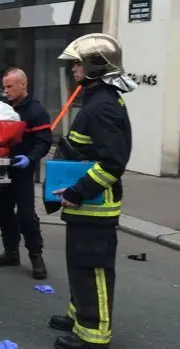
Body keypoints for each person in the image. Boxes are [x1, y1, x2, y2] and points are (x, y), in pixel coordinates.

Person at [49, 33, 134, 349]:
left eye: (78, 63)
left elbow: (113, 164)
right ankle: (79, 317)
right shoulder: (96, 99)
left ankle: (94, 336)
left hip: (95, 205)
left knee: (93, 270)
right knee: (79, 266)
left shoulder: (103, 107)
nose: (73, 69)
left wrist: (77, 190)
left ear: (95, 66)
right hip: (85, 204)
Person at [0, 68, 52, 279]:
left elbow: (44, 142)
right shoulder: (3, 109)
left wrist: (30, 159)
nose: (6, 90)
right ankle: (11, 252)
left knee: (26, 215)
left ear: (24, 85)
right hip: (2, 167)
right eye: (4, 86)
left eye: (10, 86)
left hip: (22, 170)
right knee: (3, 212)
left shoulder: (36, 111)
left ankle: (36, 256)